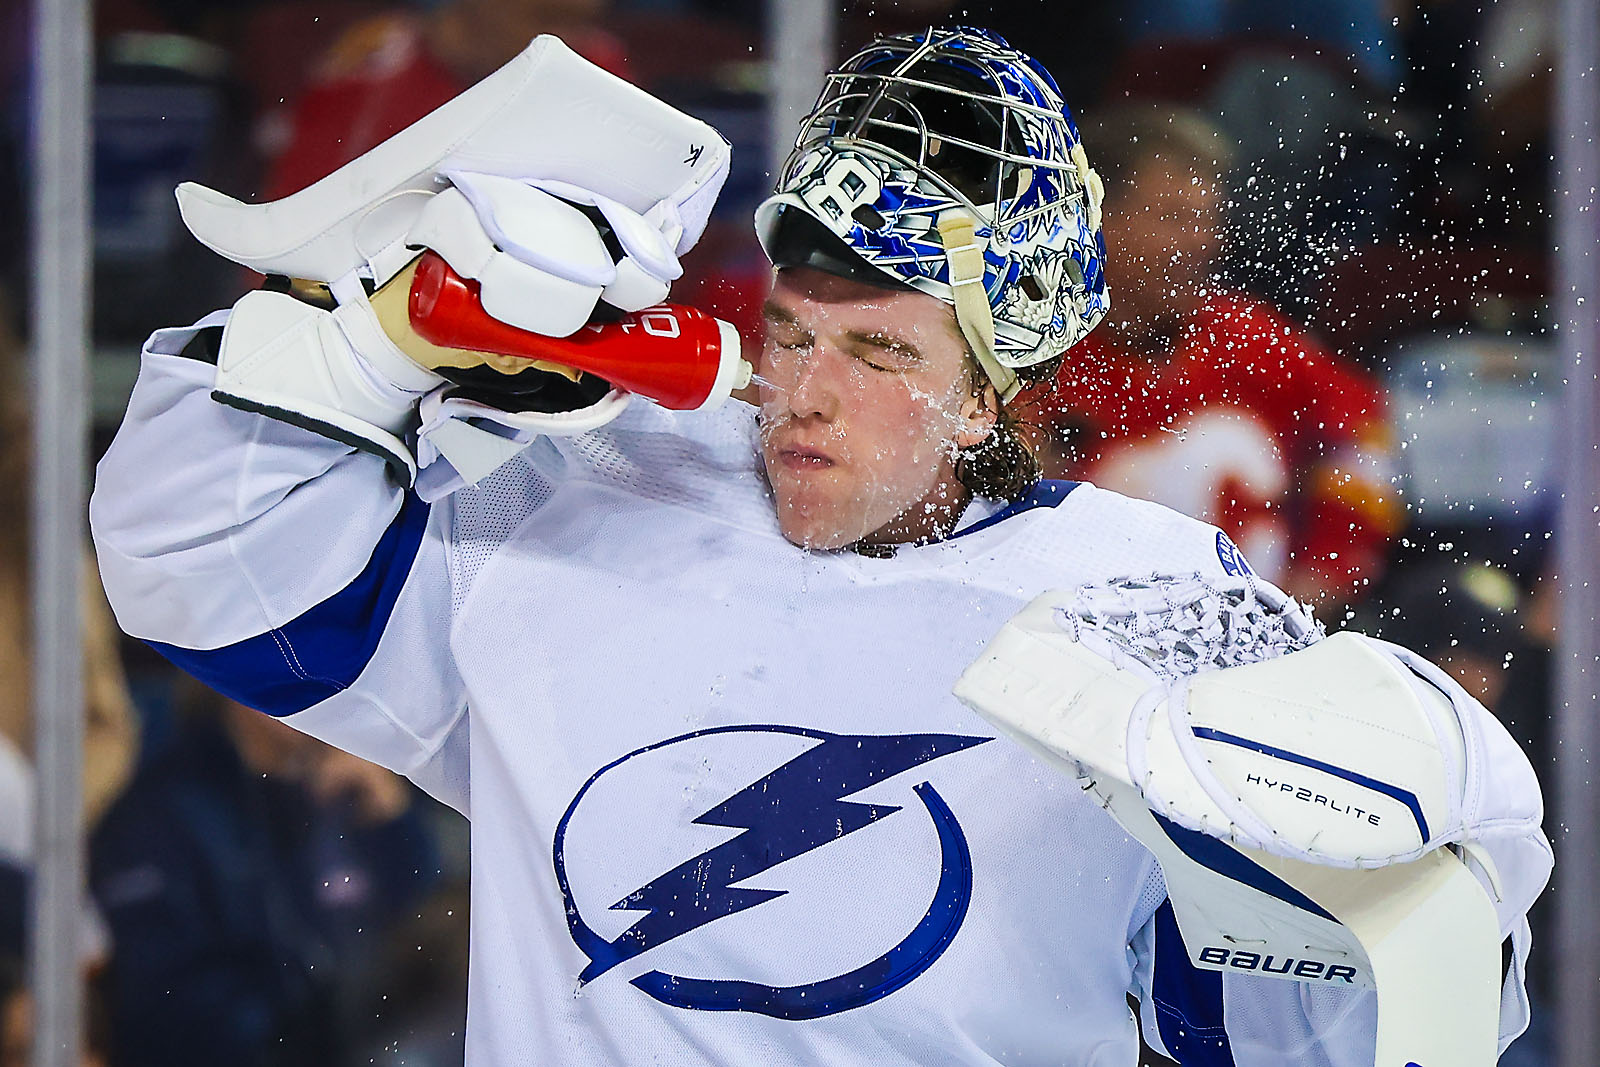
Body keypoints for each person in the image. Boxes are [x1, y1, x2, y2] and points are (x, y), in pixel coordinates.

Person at [90, 28, 1547, 1065]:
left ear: (990, 387)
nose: (804, 390)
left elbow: (1304, 1025)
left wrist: (1428, 854)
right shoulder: (578, 503)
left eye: (878, 349)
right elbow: (199, 571)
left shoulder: (1157, 600)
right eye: (789, 329)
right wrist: (368, 337)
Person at [1018, 105, 1402, 605]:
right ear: (1096, 222)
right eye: (1172, 218)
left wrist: (1325, 571)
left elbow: (1363, 438)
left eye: (1206, 221)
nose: (1196, 243)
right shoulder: (1038, 355)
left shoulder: (1250, 339)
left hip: (1259, 649)